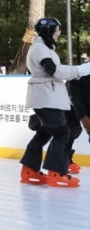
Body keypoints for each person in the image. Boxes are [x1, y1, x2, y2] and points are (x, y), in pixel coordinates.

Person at [20, 17, 90, 187]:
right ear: (48, 31)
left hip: (47, 96)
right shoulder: (39, 49)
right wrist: (79, 70)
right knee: (61, 132)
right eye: (57, 30)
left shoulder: (43, 48)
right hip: (45, 97)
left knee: (45, 132)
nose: (59, 33)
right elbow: (52, 70)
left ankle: (29, 170)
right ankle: (56, 173)